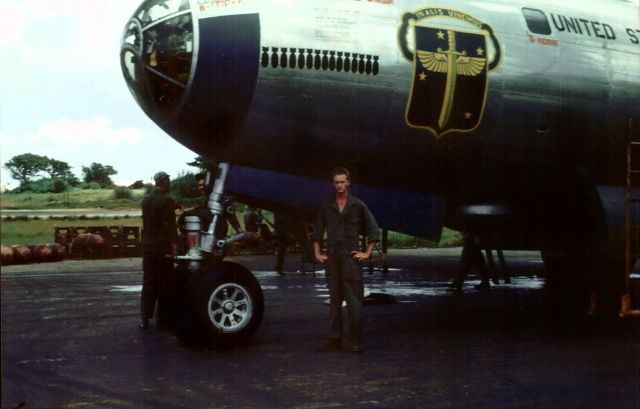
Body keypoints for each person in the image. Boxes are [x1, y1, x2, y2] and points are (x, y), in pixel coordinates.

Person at [312, 167, 379, 353]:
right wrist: (317, 253)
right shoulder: (327, 205)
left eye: (342, 182)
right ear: (333, 184)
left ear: (348, 182)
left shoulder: (357, 205)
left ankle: (356, 341)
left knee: (354, 303)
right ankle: (334, 339)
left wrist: (367, 253)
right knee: (334, 302)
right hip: (333, 259)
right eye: (336, 182)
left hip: (351, 259)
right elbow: (317, 230)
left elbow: (373, 229)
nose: (339, 185)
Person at [139, 171, 178, 329]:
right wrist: (174, 245)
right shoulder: (168, 200)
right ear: (164, 181)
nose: (169, 182)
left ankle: (144, 318)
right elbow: (170, 226)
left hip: (148, 246)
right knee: (164, 282)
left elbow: (149, 222)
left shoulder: (146, 200)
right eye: (168, 180)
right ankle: (162, 319)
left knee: (148, 282)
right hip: (162, 247)